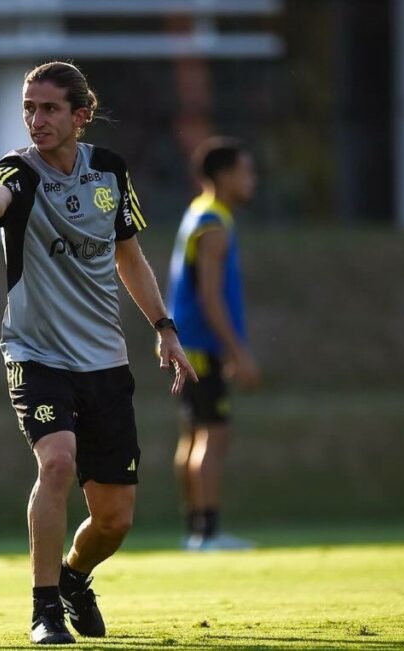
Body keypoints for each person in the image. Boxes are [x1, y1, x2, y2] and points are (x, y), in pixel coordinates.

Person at [0, 61, 197, 645]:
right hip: (36, 355)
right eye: (29, 108)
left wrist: (165, 328)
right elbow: (2, 195)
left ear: (80, 115)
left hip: (105, 362)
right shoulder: (19, 172)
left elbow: (129, 258)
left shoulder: (109, 172)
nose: (36, 119)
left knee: (115, 520)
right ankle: (43, 610)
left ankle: (73, 577)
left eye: (50, 108)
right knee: (57, 462)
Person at [167, 137, 259, 552]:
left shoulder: (199, 212)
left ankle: (195, 531)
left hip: (188, 346)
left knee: (193, 436)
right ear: (224, 176)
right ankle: (207, 533)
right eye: (246, 172)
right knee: (213, 436)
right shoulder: (214, 224)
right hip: (201, 348)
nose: (251, 180)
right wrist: (238, 352)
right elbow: (209, 297)